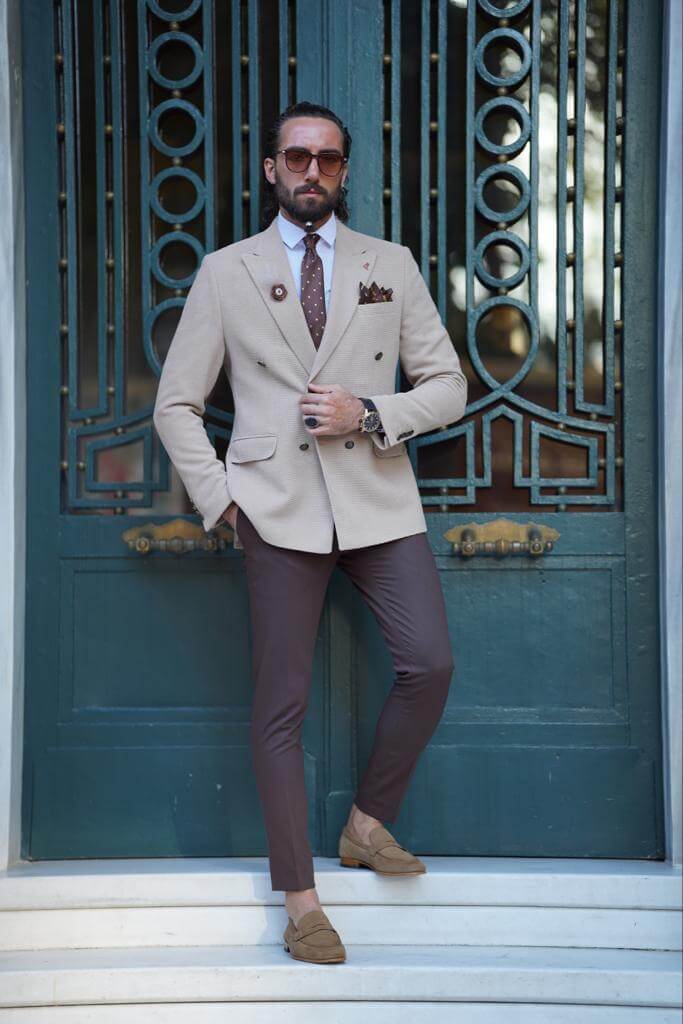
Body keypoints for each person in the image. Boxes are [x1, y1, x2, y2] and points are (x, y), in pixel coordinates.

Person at [153, 100, 468, 965]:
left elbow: (447, 386)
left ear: (343, 172)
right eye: (297, 157)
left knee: (430, 662)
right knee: (279, 707)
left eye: (328, 160)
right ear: (270, 169)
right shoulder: (227, 271)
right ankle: (300, 899)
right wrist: (221, 499)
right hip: (275, 508)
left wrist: (368, 410)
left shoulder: (388, 264)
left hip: (375, 498)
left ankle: (367, 822)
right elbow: (176, 404)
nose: (312, 173)